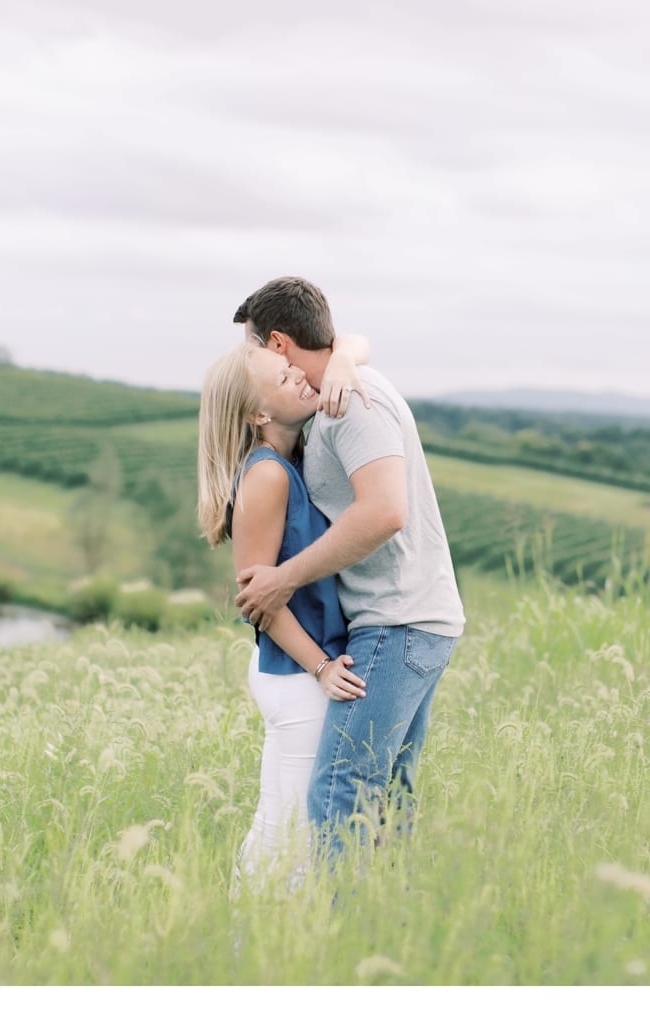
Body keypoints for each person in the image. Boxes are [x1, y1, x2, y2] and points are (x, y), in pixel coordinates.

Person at [232, 276, 465, 859]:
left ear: (279, 343)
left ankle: (344, 939)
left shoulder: (348, 403)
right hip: (409, 618)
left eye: (257, 348)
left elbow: (385, 512)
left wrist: (285, 579)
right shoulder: (333, 398)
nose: (252, 359)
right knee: (387, 802)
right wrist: (345, 357)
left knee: (342, 790)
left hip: (396, 620)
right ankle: (386, 935)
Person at [196, 338, 370, 885]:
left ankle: (250, 946)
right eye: (282, 375)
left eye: (294, 365)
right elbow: (259, 605)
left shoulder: (284, 463)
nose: (298, 375)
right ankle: (268, 949)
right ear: (258, 412)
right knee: (294, 832)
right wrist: (321, 667)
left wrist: (342, 359)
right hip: (297, 675)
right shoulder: (267, 475)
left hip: (292, 672)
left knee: (277, 824)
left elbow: (356, 341)